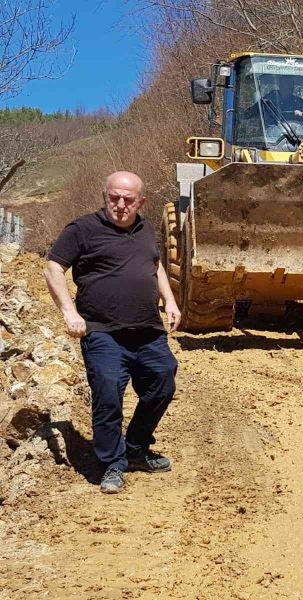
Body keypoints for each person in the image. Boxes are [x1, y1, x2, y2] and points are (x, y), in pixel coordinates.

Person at [43, 171, 181, 494]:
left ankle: (135, 447)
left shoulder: (147, 229)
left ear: (140, 202)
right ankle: (113, 463)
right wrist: (69, 311)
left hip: (147, 330)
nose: (120, 205)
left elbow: (155, 264)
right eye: (113, 198)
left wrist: (170, 300)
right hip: (102, 331)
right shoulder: (83, 229)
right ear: (105, 197)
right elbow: (53, 268)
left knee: (164, 378)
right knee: (107, 392)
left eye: (128, 199)